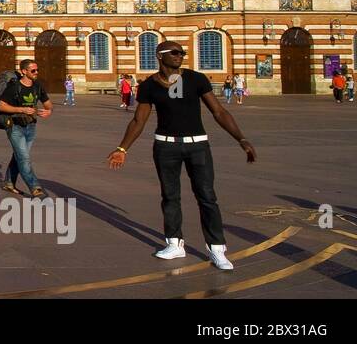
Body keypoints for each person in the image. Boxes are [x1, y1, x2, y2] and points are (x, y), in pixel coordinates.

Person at [107, 40, 256, 271]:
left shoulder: (196, 79)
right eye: (174, 53)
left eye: (182, 53)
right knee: (170, 196)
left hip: (198, 146)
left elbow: (218, 111)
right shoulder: (148, 86)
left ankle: (217, 248)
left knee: (207, 196)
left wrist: (242, 139)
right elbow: (139, 120)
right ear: (160, 56)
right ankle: (174, 244)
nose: (180, 56)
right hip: (165, 147)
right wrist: (122, 148)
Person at [0, 59, 52, 198]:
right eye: (33, 70)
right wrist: (21, 109)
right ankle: (35, 188)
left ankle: (9, 182)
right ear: (24, 71)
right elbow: (1, 106)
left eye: (37, 70)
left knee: (19, 156)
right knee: (24, 158)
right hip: (15, 126)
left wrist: (48, 111)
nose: (36, 73)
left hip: (31, 125)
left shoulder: (38, 85)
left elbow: (48, 103)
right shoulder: (14, 87)